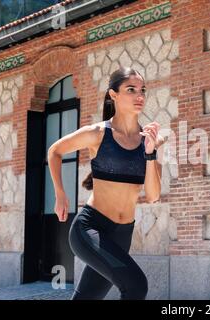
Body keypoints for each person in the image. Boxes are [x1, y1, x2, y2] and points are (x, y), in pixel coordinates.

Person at [47, 67, 166, 300]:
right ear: (113, 95)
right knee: (136, 286)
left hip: (123, 233)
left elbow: (153, 196)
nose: (139, 95)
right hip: (90, 228)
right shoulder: (99, 134)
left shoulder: (149, 141)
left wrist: (150, 153)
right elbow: (55, 151)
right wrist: (60, 194)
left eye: (142, 90)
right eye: (130, 90)